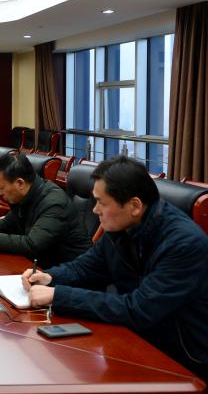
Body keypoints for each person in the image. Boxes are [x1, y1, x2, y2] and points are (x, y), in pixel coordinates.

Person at [22, 156, 208, 380]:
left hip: (181, 361)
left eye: (101, 202)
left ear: (135, 206)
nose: (95, 210)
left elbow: (138, 310)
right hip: (134, 339)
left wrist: (58, 295)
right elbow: (85, 268)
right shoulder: (121, 226)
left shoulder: (184, 244)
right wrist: (49, 277)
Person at [0, 153, 90, 266]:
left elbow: (32, 245)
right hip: (39, 264)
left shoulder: (54, 203)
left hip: (67, 272)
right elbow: (7, 225)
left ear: (20, 183)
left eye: (2, 187)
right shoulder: (27, 195)